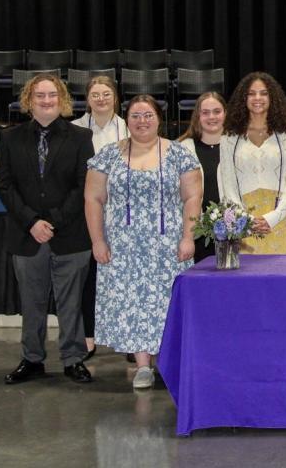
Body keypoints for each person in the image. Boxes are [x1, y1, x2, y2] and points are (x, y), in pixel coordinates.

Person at [84, 95, 202, 389]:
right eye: (135, 116)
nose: (142, 121)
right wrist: (97, 241)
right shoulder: (108, 155)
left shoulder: (179, 154)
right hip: (123, 247)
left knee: (166, 302)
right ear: (127, 120)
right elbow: (93, 199)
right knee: (133, 305)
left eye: (148, 115)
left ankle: (170, 361)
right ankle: (142, 366)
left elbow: (192, 198)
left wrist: (189, 236)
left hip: (167, 247)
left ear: (159, 118)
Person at [0, 74, 95, 384]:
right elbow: (5, 186)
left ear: (61, 99)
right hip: (27, 236)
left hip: (69, 235)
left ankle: (73, 359)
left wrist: (52, 221)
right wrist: (31, 222)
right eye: (39, 95)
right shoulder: (11, 138)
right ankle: (32, 359)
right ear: (29, 100)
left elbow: (84, 186)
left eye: (52, 94)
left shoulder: (81, 137)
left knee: (71, 302)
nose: (46, 100)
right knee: (32, 302)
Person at [72, 75, 130, 361]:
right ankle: (88, 338)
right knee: (88, 278)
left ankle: (132, 340)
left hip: (121, 214)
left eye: (106, 94)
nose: (101, 99)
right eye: (95, 94)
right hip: (86, 212)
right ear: (88, 98)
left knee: (125, 277)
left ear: (115, 97)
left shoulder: (129, 128)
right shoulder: (74, 129)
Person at [220, 72, 286, 255]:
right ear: (244, 98)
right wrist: (246, 219)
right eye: (251, 93)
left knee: (283, 280)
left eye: (264, 93)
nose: (258, 98)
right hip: (244, 220)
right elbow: (228, 183)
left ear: (272, 97)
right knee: (247, 281)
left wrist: (274, 216)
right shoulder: (230, 135)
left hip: (279, 216)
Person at [178, 91, 227, 262]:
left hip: (232, 232)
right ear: (197, 116)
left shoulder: (237, 146)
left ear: (225, 114)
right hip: (196, 234)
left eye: (217, 111)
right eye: (205, 112)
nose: (211, 117)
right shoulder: (183, 149)